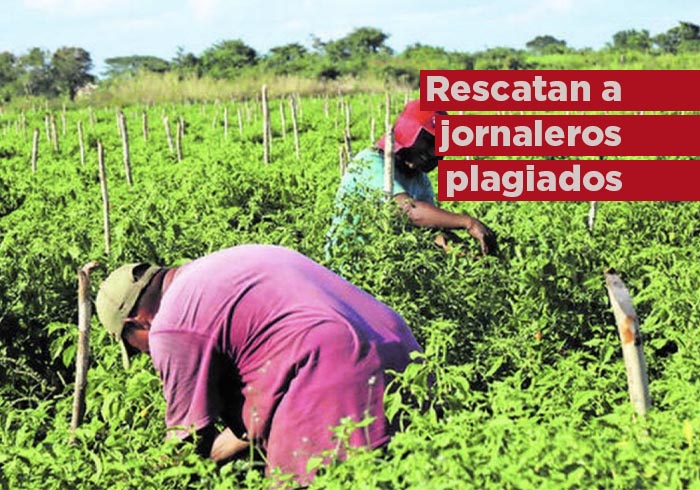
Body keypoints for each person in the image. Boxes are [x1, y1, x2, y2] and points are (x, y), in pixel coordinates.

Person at [95, 244, 422, 485]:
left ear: (136, 322)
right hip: (404, 355)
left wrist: (138, 479)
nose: (145, 356)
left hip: (335, 377)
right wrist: (217, 453)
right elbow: (260, 410)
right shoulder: (225, 264)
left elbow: (185, 440)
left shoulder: (170, 325)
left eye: (134, 348)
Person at [327, 99, 497, 256]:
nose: (433, 151)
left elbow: (429, 229)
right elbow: (410, 210)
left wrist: (462, 253)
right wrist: (468, 222)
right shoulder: (371, 163)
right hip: (347, 266)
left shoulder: (420, 180)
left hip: (384, 266)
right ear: (408, 132)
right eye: (428, 141)